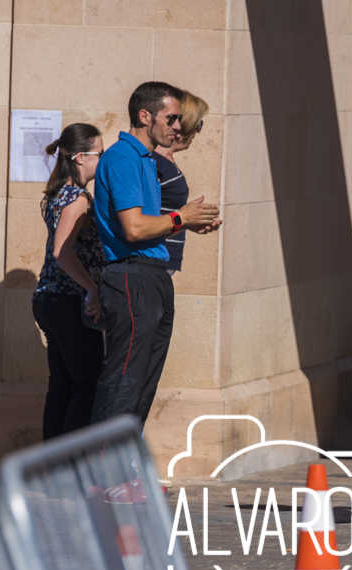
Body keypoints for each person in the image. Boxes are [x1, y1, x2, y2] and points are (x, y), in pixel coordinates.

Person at [91, 81, 221, 425]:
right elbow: (133, 229)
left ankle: (125, 472)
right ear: (145, 115)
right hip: (131, 278)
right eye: (171, 118)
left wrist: (183, 224)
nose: (178, 127)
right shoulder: (122, 158)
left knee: (143, 385)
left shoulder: (145, 160)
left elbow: (148, 223)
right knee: (124, 383)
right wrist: (181, 217)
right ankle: (101, 477)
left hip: (151, 276)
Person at [32, 123, 106, 440]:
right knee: (87, 386)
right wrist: (91, 287)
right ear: (79, 157)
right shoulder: (77, 197)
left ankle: (51, 471)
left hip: (49, 298)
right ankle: (70, 469)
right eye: (99, 154)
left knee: (62, 386)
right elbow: (63, 253)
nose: (103, 160)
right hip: (67, 299)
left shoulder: (57, 193)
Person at [153, 90, 209, 274]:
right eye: (197, 124)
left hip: (164, 262)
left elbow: (164, 217)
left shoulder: (166, 161)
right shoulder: (155, 163)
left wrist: (187, 222)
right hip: (154, 262)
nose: (197, 132)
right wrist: (183, 218)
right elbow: (145, 221)